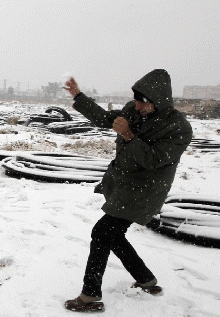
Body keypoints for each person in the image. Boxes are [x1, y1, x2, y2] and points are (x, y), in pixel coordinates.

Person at [62, 69, 192, 312]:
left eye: (143, 102)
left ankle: (91, 295)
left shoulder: (178, 128)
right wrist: (79, 96)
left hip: (145, 191)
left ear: (159, 100)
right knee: (114, 235)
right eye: (136, 100)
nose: (138, 106)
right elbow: (103, 118)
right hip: (124, 186)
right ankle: (146, 280)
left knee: (102, 233)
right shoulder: (133, 111)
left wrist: (128, 135)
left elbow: (154, 159)